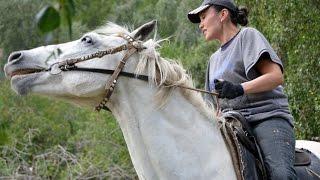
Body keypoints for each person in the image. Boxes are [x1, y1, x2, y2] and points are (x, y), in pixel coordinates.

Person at [187, 0, 296, 179]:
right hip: (231, 125)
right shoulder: (213, 60)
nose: (201, 25)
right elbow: (214, 108)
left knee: (281, 175)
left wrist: (239, 88)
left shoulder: (248, 37)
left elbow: (276, 76)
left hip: (265, 118)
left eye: (204, 17)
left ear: (223, 15)